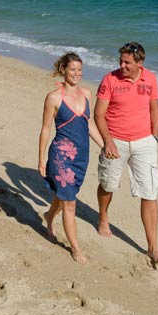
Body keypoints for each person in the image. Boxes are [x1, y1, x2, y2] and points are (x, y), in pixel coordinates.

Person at [94, 41, 158, 264]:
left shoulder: (150, 79)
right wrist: (108, 141)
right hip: (115, 140)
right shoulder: (110, 79)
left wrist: (155, 138)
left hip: (144, 142)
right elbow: (98, 114)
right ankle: (103, 217)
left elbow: (155, 110)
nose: (122, 65)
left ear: (139, 63)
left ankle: (152, 247)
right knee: (108, 185)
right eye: (120, 61)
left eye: (127, 62)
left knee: (150, 192)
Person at [38, 52, 104, 264]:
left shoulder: (86, 93)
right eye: (72, 69)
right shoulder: (54, 98)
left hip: (82, 156)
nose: (76, 73)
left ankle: (49, 217)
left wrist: (104, 146)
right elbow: (46, 129)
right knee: (70, 203)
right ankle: (75, 248)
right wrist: (41, 159)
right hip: (61, 157)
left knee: (66, 194)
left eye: (79, 70)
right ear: (63, 70)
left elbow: (89, 123)